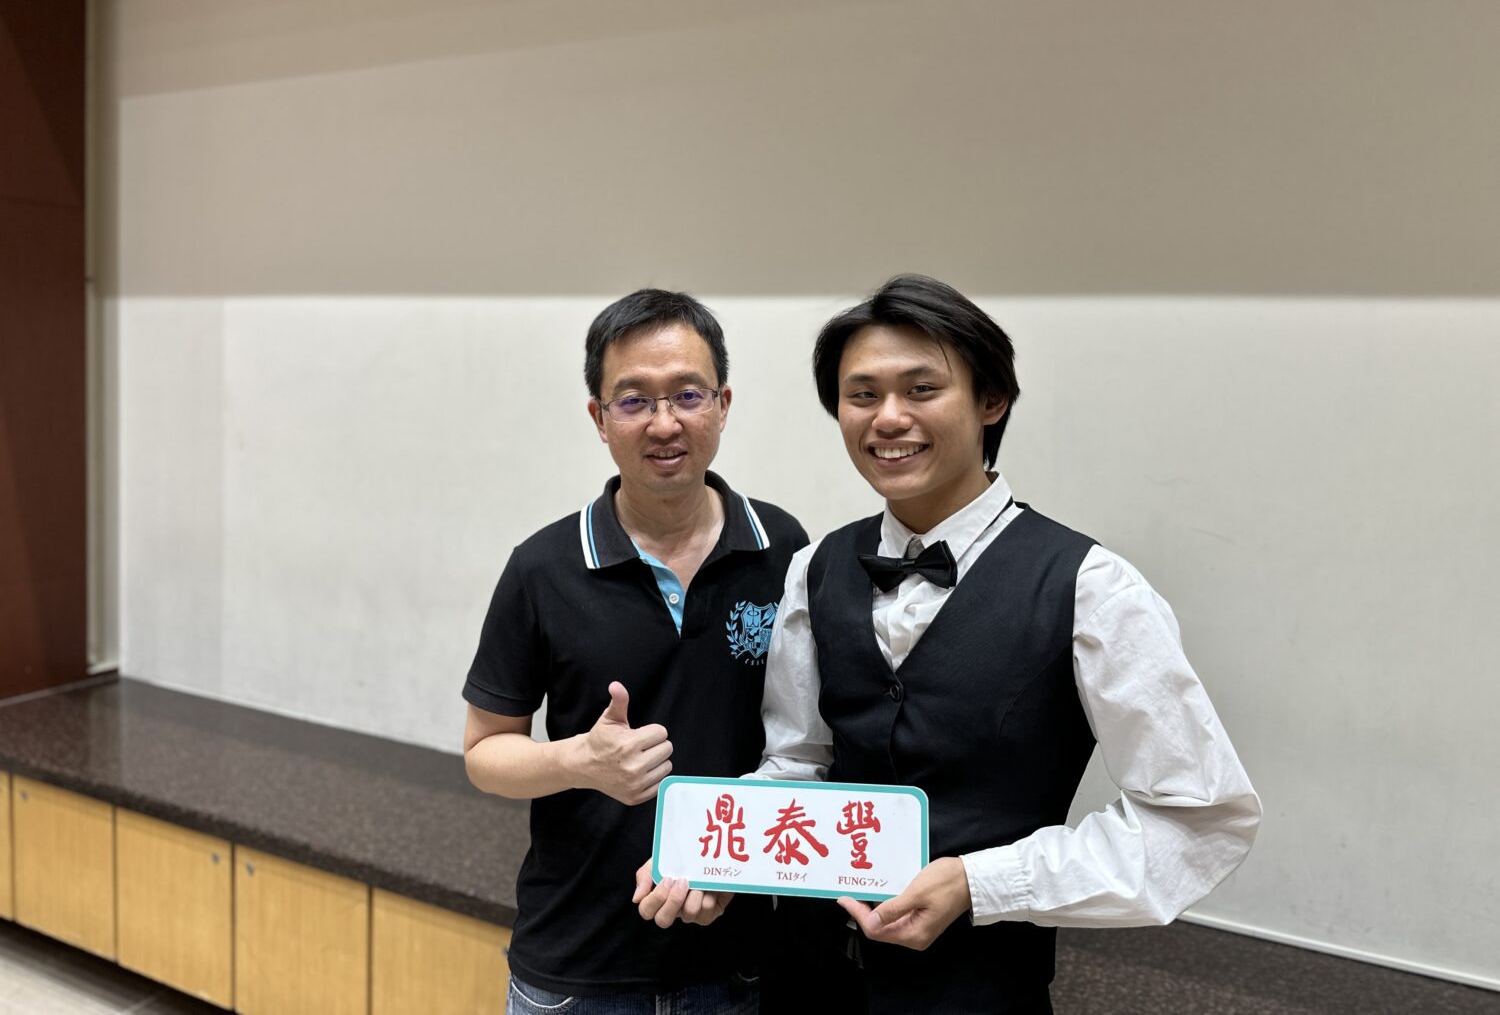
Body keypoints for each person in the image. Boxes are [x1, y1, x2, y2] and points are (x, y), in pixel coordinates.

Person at [639, 275, 1260, 1014]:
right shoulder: (816, 568)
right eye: (862, 395)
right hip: (805, 979)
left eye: (922, 389)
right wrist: (710, 855)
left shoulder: (1093, 588)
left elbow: (1200, 818)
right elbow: (801, 762)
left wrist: (979, 882)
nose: (888, 417)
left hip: (979, 990)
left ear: (991, 400)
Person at [463, 289, 808, 1014]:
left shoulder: (783, 549)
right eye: (633, 400)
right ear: (599, 417)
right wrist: (577, 761)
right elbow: (485, 752)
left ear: (722, 404)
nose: (664, 422)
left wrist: (728, 860)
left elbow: (804, 742)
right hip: (577, 967)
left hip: (740, 960)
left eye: (687, 394)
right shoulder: (543, 567)